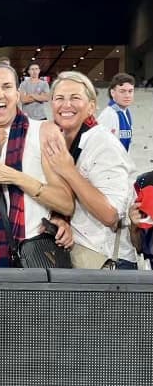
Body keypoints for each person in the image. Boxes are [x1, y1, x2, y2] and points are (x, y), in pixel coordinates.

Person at [0, 63, 74, 267]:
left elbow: (66, 203)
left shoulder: (44, 131)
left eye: (6, 87)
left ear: (17, 94)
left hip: (35, 255)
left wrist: (13, 176)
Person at [43, 71, 138, 269]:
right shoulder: (58, 140)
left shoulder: (104, 144)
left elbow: (110, 214)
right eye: (59, 98)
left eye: (75, 98)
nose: (66, 104)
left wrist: (69, 171)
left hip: (108, 262)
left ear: (91, 107)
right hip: (77, 257)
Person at [97, 72, 135, 152]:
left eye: (130, 91)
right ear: (113, 93)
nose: (127, 95)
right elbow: (100, 146)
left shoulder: (125, 112)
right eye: (122, 91)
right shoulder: (109, 115)